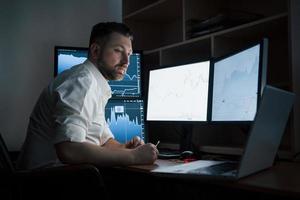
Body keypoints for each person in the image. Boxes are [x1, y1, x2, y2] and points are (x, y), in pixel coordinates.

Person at [17, 22, 158, 170]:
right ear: (96, 51)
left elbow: (103, 142)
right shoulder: (82, 81)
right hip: (45, 183)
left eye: (129, 54)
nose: (126, 62)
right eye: (118, 51)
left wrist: (127, 148)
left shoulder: (96, 84)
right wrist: (134, 157)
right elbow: (69, 149)